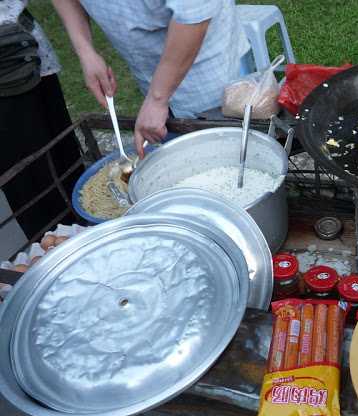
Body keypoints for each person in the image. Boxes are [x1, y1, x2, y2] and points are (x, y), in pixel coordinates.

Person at [51, 0, 250, 159]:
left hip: (208, 69)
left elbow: (193, 18)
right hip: (150, 73)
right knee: (182, 162)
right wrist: (85, 51)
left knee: (232, 158)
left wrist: (157, 99)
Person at [0, 1, 81, 239]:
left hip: (24, 47)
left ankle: (87, 233)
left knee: (63, 158)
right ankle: (58, 256)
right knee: (31, 183)